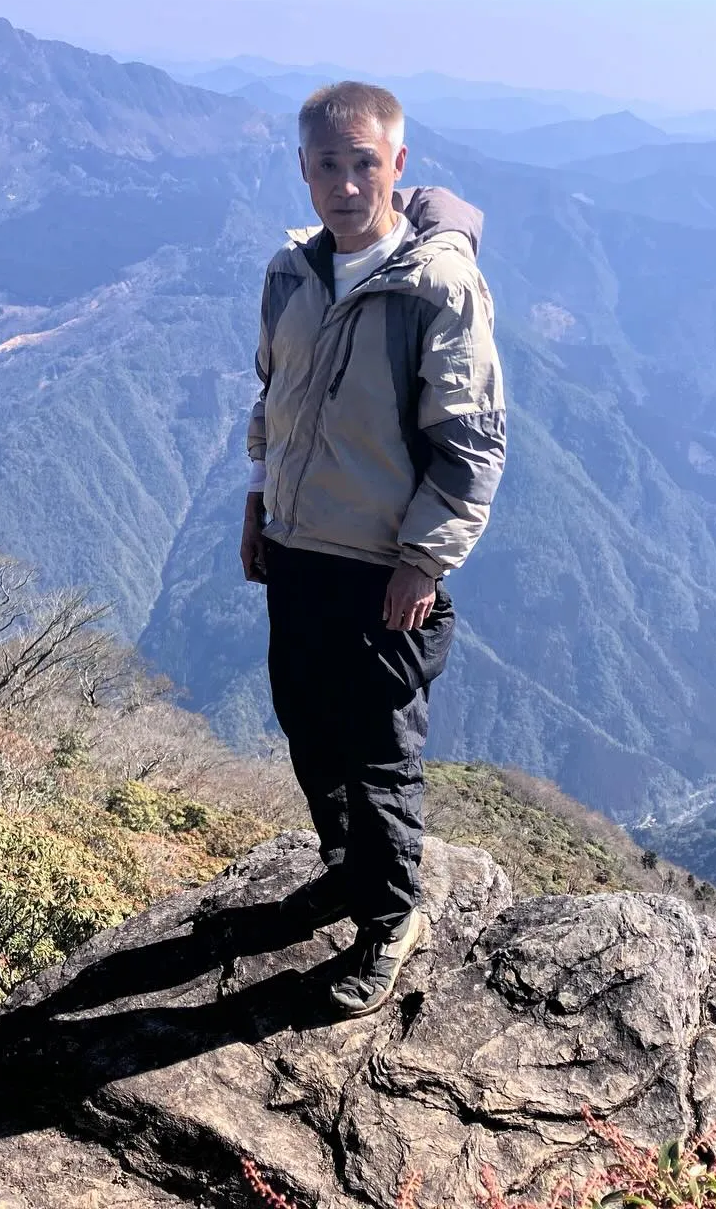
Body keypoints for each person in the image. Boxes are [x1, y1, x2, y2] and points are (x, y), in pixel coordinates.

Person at [240, 80, 506, 1017]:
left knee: (380, 752)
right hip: (299, 549)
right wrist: (259, 499)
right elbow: (274, 397)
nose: (346, 184)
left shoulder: (436, 288)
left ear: (400, 165)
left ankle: (391, 922)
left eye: (365, 163)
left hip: (383, 570)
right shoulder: (291, 274)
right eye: (327, 164)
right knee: (306, 724)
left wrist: (424, 564)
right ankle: (348, 870)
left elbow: (473, 444)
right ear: (303, 168)